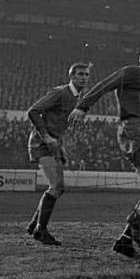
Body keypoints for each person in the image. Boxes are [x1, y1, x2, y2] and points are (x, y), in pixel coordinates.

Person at [69, 41, 140, 258]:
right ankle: (137, 220)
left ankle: (125, 240)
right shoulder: (131, 72)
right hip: (134, 130)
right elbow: (104, 85)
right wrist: (83, 107)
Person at [26, 62, 91, 246]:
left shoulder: (79, 97)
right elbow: (33, 111)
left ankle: (33, 225)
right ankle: (40, 230)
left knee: (59, 188)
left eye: (86, 74)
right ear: (72, 76)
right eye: (80, 74)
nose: (84, 77)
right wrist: (45, 136)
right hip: (41, 143)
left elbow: (60, 124)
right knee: (55, 186)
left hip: (54, 144)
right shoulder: (60, 92)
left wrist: (59, 145)